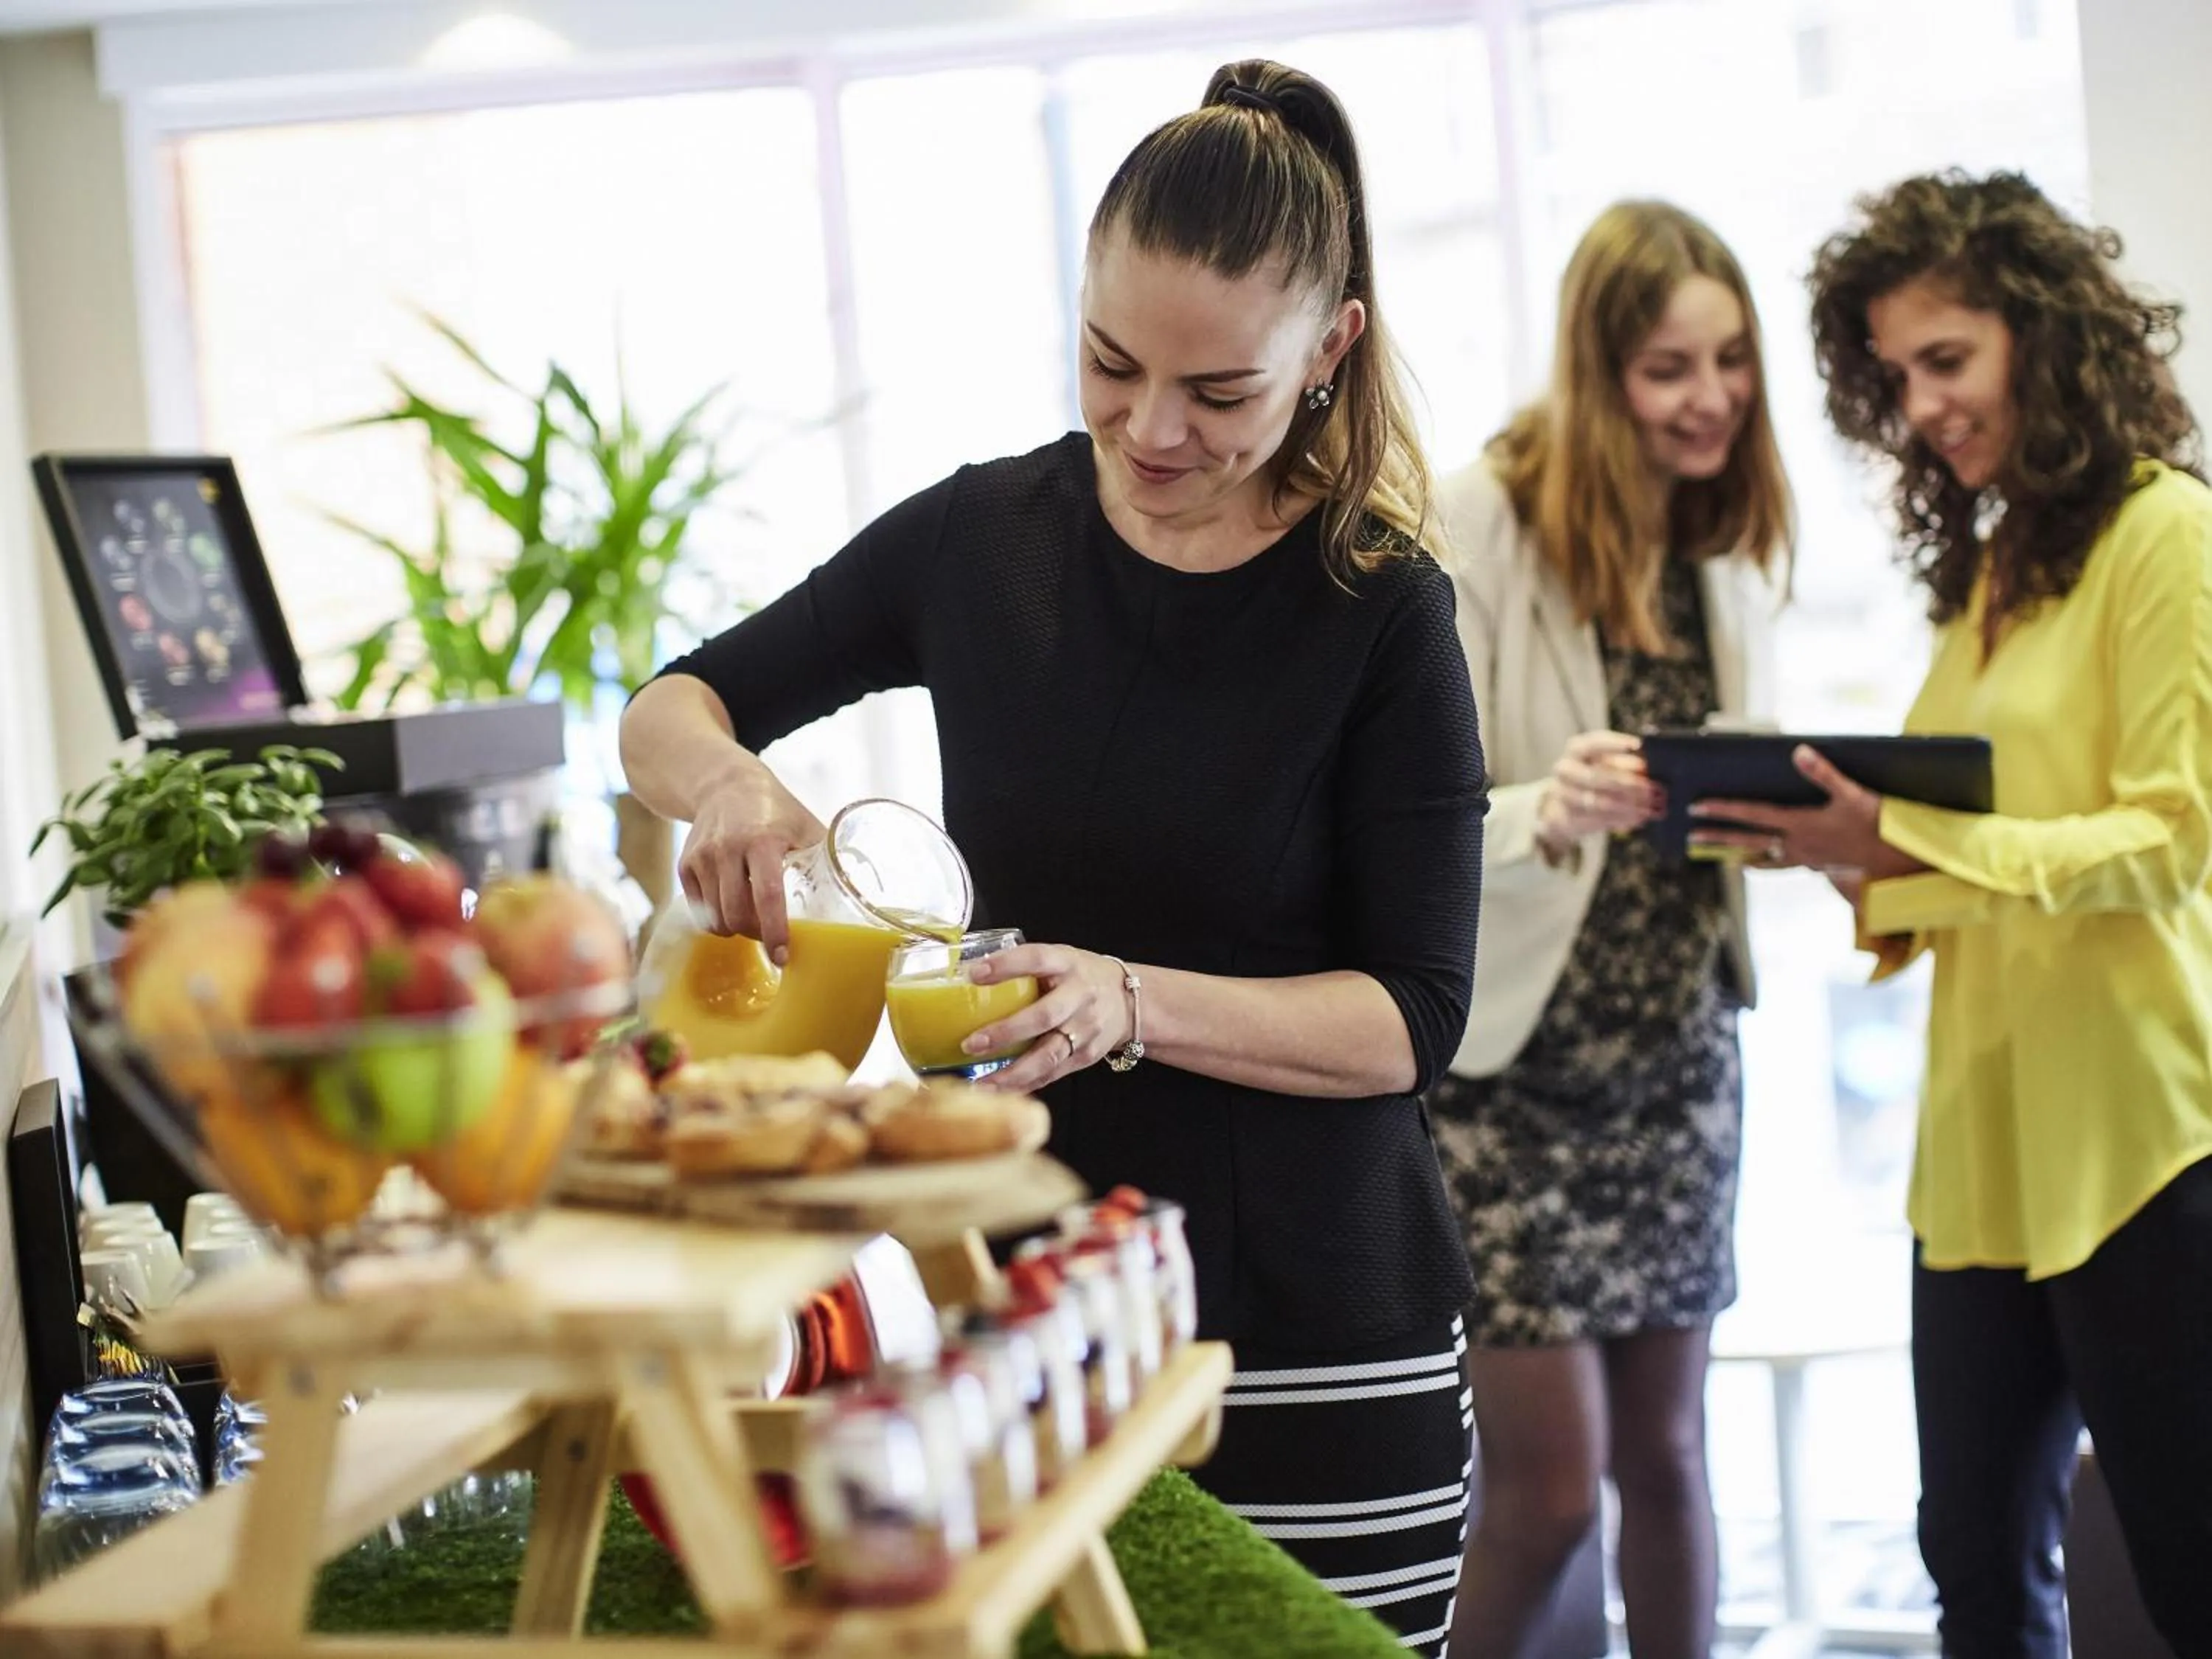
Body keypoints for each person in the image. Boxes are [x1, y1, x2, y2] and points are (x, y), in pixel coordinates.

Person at [619, 60, 1486, 1655]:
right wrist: (729, 788)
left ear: (1330, 350)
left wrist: (1130, 1000)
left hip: (1315, 1341)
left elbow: (1410, 1019)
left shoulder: (1382, 611)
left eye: (1219, 394)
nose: (1151, 429)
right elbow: (671, 705)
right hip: (1023, 1327)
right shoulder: (980, 544)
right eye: (1110, 363)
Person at [1694, 170, 2212, 1657]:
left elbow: (2171, 838)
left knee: (2188, 1561)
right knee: (1972, 1561)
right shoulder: (1987, 571)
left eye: (1947, 360)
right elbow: (1966, 849)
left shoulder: (2165, 533)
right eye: (1895, 375)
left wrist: (1903, 834)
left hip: (2138, 1137)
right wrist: (1840, 853)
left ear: (2043, 341)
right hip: (1980, 1148)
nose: (1921, 404)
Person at [1427, 201, 1792, 1659]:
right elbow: (1404, 825)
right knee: (1552, 1492)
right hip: (1513, 1081)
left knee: (1676, 1463)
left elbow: (1748, 774)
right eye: (1667, 368)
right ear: (1599, 374)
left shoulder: (1723, 542)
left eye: (1730, 360)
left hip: (1678, 1058)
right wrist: (1543, 809)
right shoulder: (1479, 521)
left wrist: (1797, 810)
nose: (1711, 398)